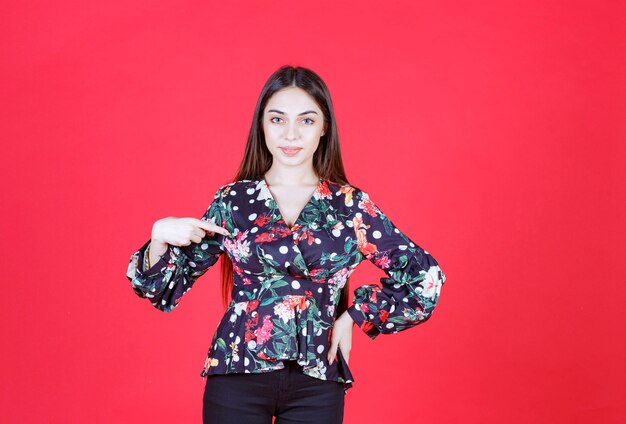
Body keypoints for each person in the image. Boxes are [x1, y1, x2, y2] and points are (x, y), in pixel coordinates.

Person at [126, 65, 447, 424]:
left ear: (324, 127)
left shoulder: (350, 206)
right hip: (237, 373)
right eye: (277, 120)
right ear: (261, 126)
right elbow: (164, 287)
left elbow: (425, 278)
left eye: (306, 121)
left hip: (316, 381)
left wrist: (353, 317)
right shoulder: (234, 201)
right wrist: (158, 236)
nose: (290, 134)